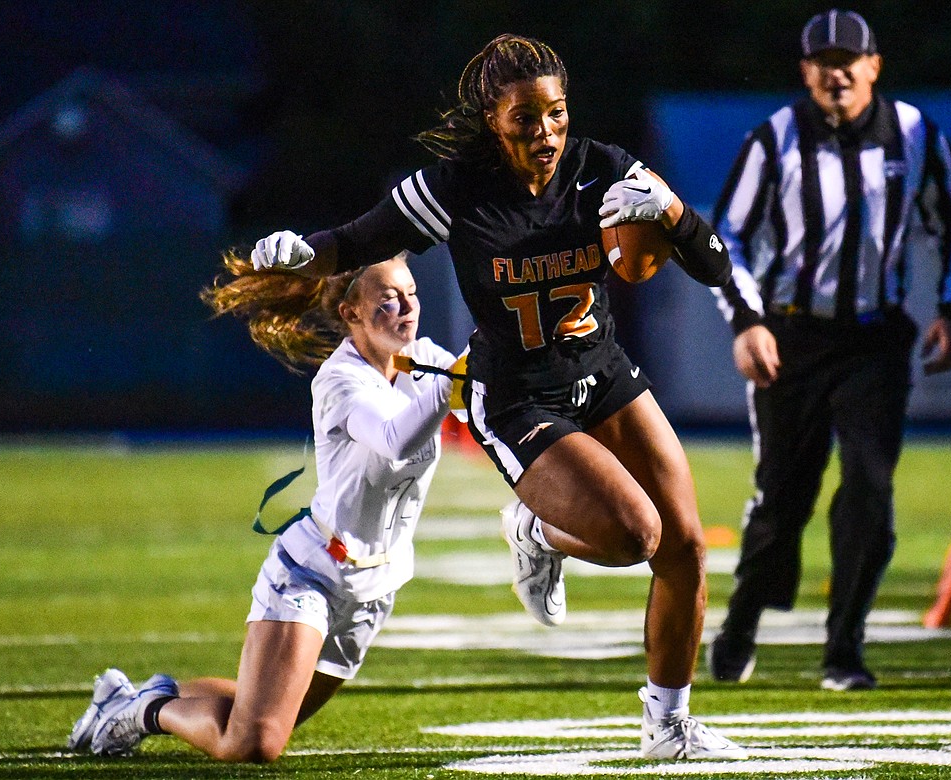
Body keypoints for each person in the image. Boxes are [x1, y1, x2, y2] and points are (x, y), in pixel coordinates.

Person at [248, 34, 746, 761]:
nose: (544, 132)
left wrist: (672, 213)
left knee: (688, 548)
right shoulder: (457, 187)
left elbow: (716, 266)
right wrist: (304, 252)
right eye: (524, 118)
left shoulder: (602, 169)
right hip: (516, 395)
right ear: (492, 119)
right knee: (635, 535)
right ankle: (537, 530)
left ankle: (668, 725)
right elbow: (359, 240)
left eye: (556, 114)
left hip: (601, 369)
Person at [68, 252, 464, 761]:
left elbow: (486, 399)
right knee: (254, 743)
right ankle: (144, 709)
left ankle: (133, 697)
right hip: (316, 572)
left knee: (267, 716)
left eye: (412, 294)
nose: (407, 308)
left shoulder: (424, 358)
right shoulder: (341, 380)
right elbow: (397, 438)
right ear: (351, 315)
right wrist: (462, 376)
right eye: (388, 301)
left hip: (376, 585)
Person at [706, 9, 951, 691]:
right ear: (805, 72)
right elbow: (725, 236)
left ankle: (844, 649)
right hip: (792, 337)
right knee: (783, 502)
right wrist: (745, 321)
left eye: (848, 60)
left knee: (869, 487)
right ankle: (742, 619)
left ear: (874, 66)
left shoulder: (913, 133)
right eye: (822, 62)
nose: (837, 73)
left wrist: (950, 309)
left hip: (874, 340)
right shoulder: (774, 139)